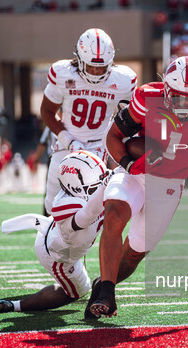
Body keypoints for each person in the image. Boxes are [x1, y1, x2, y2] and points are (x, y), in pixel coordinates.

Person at [88, 56, 188, 318]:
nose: (185, 104)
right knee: (114, 216)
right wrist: (127, 163)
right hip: (138, 170)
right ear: (166, 89)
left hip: (170, 181)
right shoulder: (147, 97)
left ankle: (102, 284)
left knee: (135, 252)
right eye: (179, 96)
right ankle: (107, 295)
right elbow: (113, 135)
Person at [0, 150, 110, 312]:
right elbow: (87, 215)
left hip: (55, 236)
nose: (100, 188)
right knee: (78, 292)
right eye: (95, 187)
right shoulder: (67, 206)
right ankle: (14, 306)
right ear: (75, 187)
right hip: (57, 255)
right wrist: (107, 185)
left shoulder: (80, 191)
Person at [39, 28, 137, 215]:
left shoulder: (123, 80)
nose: (96, 71)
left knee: (87, 209)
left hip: (98, 148)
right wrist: (68, 140)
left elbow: (133, 118)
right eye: (91, 65)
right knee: (51, 206)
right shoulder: (64, 73)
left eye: (101, 66)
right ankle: (49, 243)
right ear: (80, 59)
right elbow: (47, 111)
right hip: (66, 144)